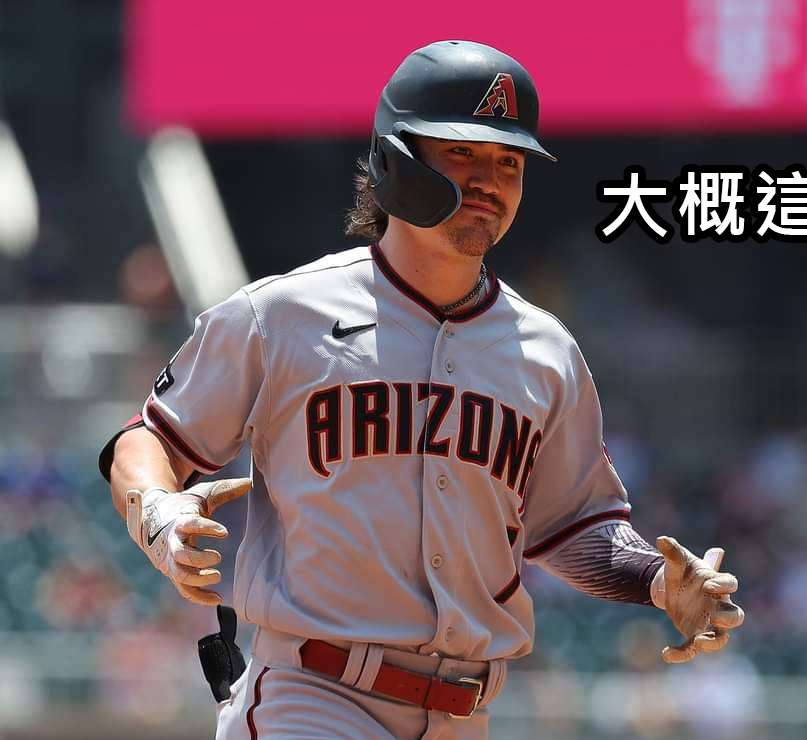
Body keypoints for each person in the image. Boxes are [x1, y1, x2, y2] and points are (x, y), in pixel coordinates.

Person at [98, 40, 744, 739]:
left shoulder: (547, 352)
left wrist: (656, 581)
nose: (490, 180)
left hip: (466, 714)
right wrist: (157, 510)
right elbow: (149, 439)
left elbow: (571, 526)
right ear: (394, 161)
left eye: (509, 161)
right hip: (313, 699)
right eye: (463, 152)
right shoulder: (282, 316)